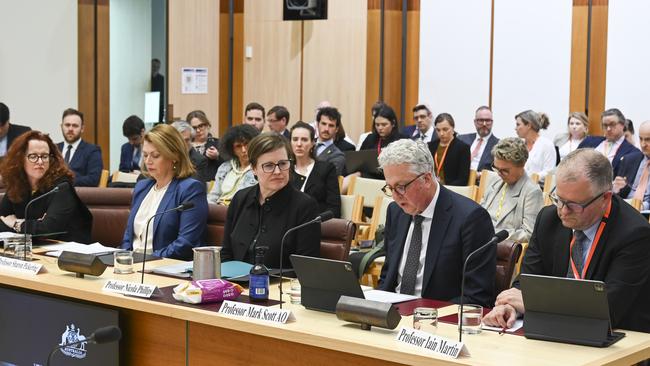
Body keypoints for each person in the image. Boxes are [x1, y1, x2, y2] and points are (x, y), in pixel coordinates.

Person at [483, 149, 650, 332]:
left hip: (618, 339)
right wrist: (510, 306)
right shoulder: (549, 220)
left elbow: (608, 310)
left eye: (573, 205)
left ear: (605, 198)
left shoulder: (634, 234)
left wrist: (534, 302)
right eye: (559, 200)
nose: (562, 211)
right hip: (553, 331)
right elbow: (527, 281)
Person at [377, 139, 495, 307]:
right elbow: (388, 276)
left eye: (401, 187)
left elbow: (477, 297)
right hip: (391, 314)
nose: (395, 196)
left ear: (426, 179)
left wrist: (423, 315)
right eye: (390, 188)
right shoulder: (395, 212)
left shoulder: (470, 218)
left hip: (437, 320)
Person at [221, 132, 321, 268]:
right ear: (254, 169)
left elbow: (306, 267)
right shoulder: (240, 198)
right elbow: (226, 253)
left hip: (277, 286)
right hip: (235, 284)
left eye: (283, 164)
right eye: (269, 166)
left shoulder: (305, 206)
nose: (278, 171)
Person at [121, 124, 208, 260]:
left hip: (164, 269)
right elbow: (129, 236)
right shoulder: (142, 187)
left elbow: (185, 243)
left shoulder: (190, 189)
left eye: (155, 156)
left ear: (174, 156)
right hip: (134, 266)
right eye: (145, 155)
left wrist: (147, 261)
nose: (148, 161)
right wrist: (124, 258)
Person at [0, 131, 92, 243]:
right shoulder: (16, 186)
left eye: (44, 156)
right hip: (31, 250)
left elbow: (48, 230)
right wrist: (33, 226)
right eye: (33, 156)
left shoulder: (61, 187)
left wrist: (16, 223)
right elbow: (2, 220)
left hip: (68, 254)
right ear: (20, 159)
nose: (40, 162)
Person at [480, 138, 543, 243]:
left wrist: (492, 233)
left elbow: (528, 233)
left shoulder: (531, 192)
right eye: (496, 168)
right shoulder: (494, 181)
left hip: (500, 246)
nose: (499, 173)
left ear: (521, 165)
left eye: (504, 170)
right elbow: (479, 213)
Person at [290, 121, 341, 217]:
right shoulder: (285, 169)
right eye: (295, 139)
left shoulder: (326, 169)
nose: (299, 144)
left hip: (316, 224)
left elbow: (334, 209)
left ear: (313, 143)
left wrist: (315, 221)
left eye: (304, 140)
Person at [207, 124, 259, 205]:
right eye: (238, 146)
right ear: (232, 150)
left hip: (240, 212)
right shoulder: (224, 167)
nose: (244, 150)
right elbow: (214, 195)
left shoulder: (260, 168)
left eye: (247, 144)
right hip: (218, 209)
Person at [578, 108, 639, 176]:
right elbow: (574, 161)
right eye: (605, 125)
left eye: (612, 124)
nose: (608, 129)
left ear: (623, 125)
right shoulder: (589, 141)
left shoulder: (633, 152)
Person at [57, 108, 103, 187]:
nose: (70, 129)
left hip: (79, 196)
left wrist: (64, 181)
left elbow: (93, 179)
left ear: (82, 129)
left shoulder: (92, 150)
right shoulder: (54, 149)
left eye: (75, 126)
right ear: (61, 126)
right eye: (67, 125)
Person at [359, 104, 406, 178]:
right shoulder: (370, 138)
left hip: (394, 177)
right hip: (371, 175)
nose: (380, 128)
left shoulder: (403, 140)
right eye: (377, 125)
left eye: (384, 125)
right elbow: (359, 159)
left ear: (393, 123)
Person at [613, 120, 650, 210]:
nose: (643, 144)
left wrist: (643, 206)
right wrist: (616, 188)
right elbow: (620, 194)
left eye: (648, 140)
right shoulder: (628, 160)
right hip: (625, 209)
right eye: (641, 139)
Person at [427, 113, 470, 185]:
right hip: (432, 187)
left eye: (445, 129)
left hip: (452, 189)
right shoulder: (431, 146)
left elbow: (463, 179)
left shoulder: (462, 148)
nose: (441, 133)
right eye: (438, 130)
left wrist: (446, 188)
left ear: (453, 128)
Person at [514, 110, 555, 181]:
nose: (515, 128)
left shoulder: (546, 144)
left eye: (518, 125)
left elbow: (549, 172)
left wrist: (531, 177)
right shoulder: (519, 145)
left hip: (539, 188)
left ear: (529, 125)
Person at [458, 106, 500, 172]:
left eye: (487, 120)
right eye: (481, 120)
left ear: (492, 122)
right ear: (475, 122)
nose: (484, 124)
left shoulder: (498, 145)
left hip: (481, 181)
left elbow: (497, 173)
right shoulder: (461, 139)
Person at [187, 110, 223, 180]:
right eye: (194, 128)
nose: (198, 130)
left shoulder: (219, 143)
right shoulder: (186, 145)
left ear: (207, 125)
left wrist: (218, 156)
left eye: (201, 126)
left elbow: (229, 165)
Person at [315, 106, 346, 175]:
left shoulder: (338, 156)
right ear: (317, 124)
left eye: (331, 125)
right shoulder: (307, 144)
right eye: (323, 124)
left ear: (337, 129)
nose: (326, 129)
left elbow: (326, 179)